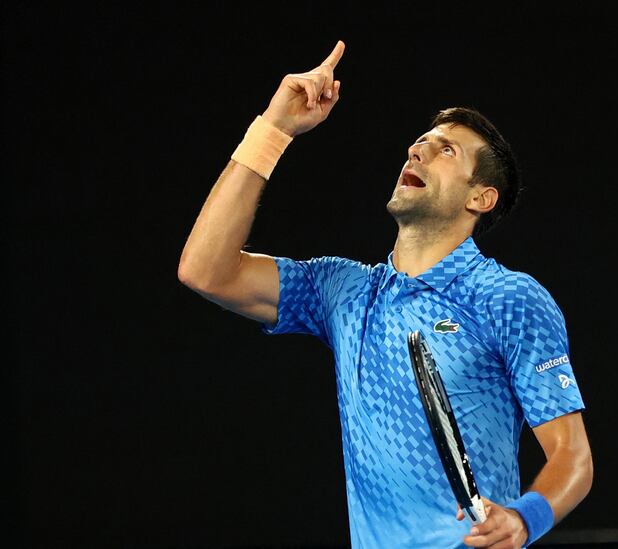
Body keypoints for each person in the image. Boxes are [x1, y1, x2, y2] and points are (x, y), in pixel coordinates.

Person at [178, 40, 593, 549]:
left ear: (481, 198)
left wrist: (525, 519)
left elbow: (573, 457)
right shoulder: (342, 290)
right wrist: (274, 130)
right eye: (420, 142)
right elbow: (206, 270)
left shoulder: (509, 297)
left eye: (447, 150)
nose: (417, 150)